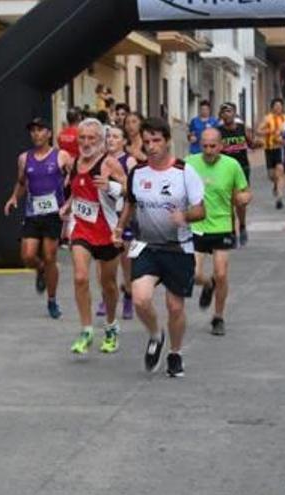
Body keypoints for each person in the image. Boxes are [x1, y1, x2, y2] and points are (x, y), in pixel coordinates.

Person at [116, 118, 205, 377]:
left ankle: (175, 353)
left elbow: (201, 210)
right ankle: (156, 335)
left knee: (175, 307)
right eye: (146, 142)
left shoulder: (184, 172)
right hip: (147, 246)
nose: (151, 146)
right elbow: (130, 204)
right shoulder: (138, 173)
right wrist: (120, 228)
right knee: (141, 298)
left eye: (156, 141)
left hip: (179, 248)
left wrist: (185, 217)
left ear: (167, 140)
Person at [63, 118, 127, 355]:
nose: (86, 142)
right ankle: (86, 329)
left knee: (108, 284)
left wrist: (111, 187)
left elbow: (130, 190)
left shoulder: (109, 163)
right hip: (81, 228)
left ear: (101, 141)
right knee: (80, 277)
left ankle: (110, 326)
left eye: (92, 138)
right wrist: (68, 205)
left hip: (107, 231)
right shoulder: (73, 162)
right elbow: (77, 190)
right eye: (82, 138)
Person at [4, 118, 73, 319]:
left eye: (40, 130)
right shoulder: (24, 158)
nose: (36, 134)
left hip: (54, 214)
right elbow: (21, 182)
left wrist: (69, 202)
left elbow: (75, 177)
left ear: (49, 133)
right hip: (33, 212)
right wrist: (13, 197)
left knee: (50, 256)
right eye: (33, 130)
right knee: (27, 255)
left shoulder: (61, 156)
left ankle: (52, 300)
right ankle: (41, 269)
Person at [186, 129, 251, 337]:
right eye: (204, 146)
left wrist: (244, 198)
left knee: (221, 274)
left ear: (221, 146)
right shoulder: (189, 163)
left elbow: (245, 190)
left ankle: (218, 316)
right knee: (193, 274)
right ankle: (208, 283)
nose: (208, 150)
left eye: (213, 146)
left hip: (222, 225)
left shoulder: (232, 166)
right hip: (196, 226)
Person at [94, 125, 138, 320]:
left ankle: (128, 295)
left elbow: (132, 190)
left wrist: (114, 186)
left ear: (124, 141)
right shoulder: (99, 160)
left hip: (123, 216)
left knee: (126, 262)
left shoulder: (129, 161)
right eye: (108, 136)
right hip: (103, 216)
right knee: (102, 262)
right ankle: (106, 297)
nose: (110, 140)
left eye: (115, 137)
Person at [216, 102, 255, 246]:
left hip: (242, 168)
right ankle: (231, 232)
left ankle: (242, 226)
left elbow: (252, 144)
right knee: (229, 203)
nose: (227, 114)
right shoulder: (218, 132)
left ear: (235, 113)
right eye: (224, 112)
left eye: (230, 111)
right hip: (225, 170)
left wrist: (257, 141)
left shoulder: (242, 128)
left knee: (241, 202)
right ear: (221, 115)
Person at [258, 98, 285, 209]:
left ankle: (279, 198)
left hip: (280, 148)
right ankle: (275, 184)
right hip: (269, 149)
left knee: (280, 171)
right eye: (276, 106)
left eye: (280, 106)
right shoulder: (267, 118)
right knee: (271, 175)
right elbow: (258, 130)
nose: (278, 108)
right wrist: (269, 131)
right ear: (272, 107)